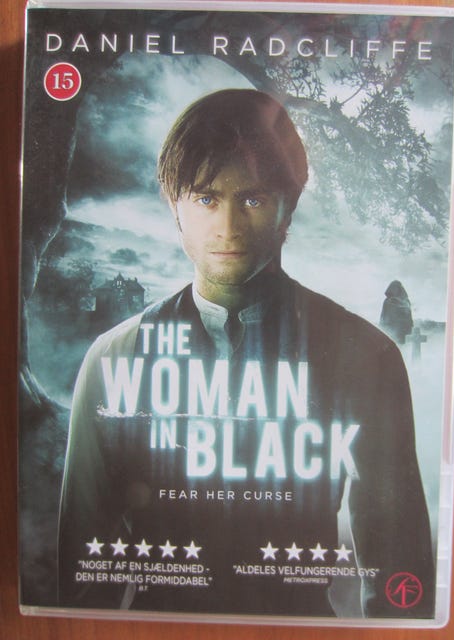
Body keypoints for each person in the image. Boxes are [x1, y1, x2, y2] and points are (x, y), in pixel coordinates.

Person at [58, 89, 434, 618]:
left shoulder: (366, 356)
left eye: (253, 199)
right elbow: (80, 582)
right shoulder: (115, 358)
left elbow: (399, 575)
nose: (228, 227)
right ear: (175, 209)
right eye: (206, 199)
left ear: (288, 207)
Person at [380, 280, 414, 344]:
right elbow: (384, 316)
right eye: (394, 287)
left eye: (397, 287)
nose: (395, 290)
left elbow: (409, 316)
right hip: (391, 329)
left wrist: (410, 325)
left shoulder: (406, 301)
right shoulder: (388, 301)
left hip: (404, 330)